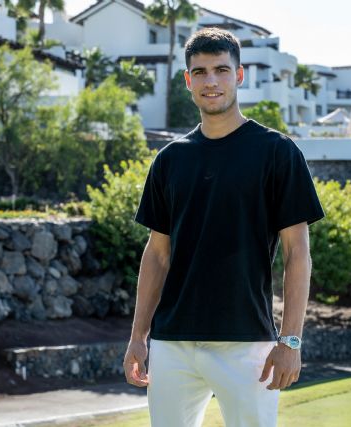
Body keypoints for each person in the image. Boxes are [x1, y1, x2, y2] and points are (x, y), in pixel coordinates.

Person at [124, 27, 325, 427]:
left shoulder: (277, 153)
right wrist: (137, 337)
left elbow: (297, 254)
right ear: (188, 80)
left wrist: (290, 340)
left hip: (247, 344)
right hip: (172, 342)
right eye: (199, 72)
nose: (210, 81)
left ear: (239, 75)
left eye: (220, 69)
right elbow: (157, 254)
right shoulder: (169, 160)